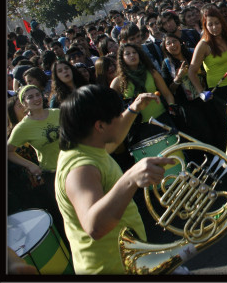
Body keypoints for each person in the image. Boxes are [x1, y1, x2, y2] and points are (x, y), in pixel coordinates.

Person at [54, 84, 175, 274]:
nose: (121, 117)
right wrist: (130, 178)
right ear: (100, 126)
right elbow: (94, 226)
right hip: (110, 267)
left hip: (124, 261)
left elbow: (114, 137)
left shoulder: (88, 144)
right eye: (117, 115)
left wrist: (133, 109)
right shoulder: (80, 169)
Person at [8, 85, 68, 244]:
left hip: (73, 166)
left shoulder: (58, 113)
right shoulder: (23, 127)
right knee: (66, 216)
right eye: (30, 97)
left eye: (37, 94)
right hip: (53, 174)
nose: (36, 99)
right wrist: (29, 165)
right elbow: (8, 151)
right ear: (24, 103)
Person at [161, 33, 227, 149]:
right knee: (204, 133)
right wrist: (178, 78)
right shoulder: (167, 64)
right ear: (165, 48)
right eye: (168, 43)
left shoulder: (193, 54)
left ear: (180, 42)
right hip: (188, 105)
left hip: (206, 97)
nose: (173, 45)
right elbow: (169, 90)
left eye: (174, 41)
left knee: (217, 127)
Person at [110, 43, 177, 148]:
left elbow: (167, 94)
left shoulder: (151, 72)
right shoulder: (118, 82)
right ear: (121, 59)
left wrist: (172, 106)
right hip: (140, 127)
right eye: (128, 54)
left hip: (162, 119)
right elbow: (112, 109)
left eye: (134, 52)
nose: (132, 55)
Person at [188, 5, 227, 104]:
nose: (214, 27)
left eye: (217, 23)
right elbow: (192, 71)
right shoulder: (203, 45)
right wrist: (201, 92)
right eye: (210, 24)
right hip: (220, 91)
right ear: (205, 26)